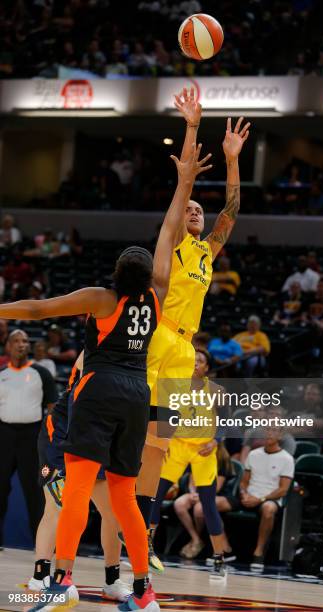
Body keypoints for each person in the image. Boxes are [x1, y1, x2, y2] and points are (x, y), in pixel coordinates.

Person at [0, 141, 212, 611]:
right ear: (148, 275)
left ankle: (63, 582)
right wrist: (184, 183)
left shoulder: (103, 298)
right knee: (126, 499)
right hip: (137, 396)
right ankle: (142, 592)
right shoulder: (156, 296)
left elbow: (37, 308)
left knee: (76, 492)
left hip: (100, 391)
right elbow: (169, 231)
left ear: (117, 273)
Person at [139, 86, 250, 582]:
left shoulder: (206, 253)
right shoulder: (171, 243)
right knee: (133, 425)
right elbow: (182, 190)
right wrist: (191, 129)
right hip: (158, 333)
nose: (196, 213)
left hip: (186, 346)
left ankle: (140, 534)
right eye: (189, 210)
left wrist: (231, 160)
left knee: (157, 445)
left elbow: (232, 209)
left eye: (198, 213)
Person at [30, 353, 131, 602]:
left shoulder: (135, 362)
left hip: (95, 438)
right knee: (58, 504)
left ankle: (112, 580)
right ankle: (40, 576)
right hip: (62, 437)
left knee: (114, 512)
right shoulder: (94, 351)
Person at [150, 348, 232, 578]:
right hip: (176, 446)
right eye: (193, 359)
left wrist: (216, 441)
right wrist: (163, 441)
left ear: (207, 367)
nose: (196, 363)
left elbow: (225, 422)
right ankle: (145, 549)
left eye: (201, 361)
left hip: (202, 450)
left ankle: (218, 556)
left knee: (208, 504)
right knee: (155, 496)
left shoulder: (216, 391)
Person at [0, 330, 58, 548]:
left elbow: (52, 408)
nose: (21, 344)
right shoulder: (1, 374)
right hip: (3, 435)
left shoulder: (41, 373)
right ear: (8, 346)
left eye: (25, 341)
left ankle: (40, 545)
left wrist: (49, 439)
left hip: (31, 437)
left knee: (35, 492)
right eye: (16, 341)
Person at [239, 428, 294, 571]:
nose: (269, 433)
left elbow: (283, 490)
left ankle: (259, 552)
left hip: (269, 499)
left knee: (269, 509)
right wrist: (243, 494)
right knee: (215, 503)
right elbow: (244, 482)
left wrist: (260, 499)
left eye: (274, 431)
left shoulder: (287, 459)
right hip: (249, 496)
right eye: (267, 430)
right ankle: (221, 548)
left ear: (281, 435)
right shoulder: (253, 454)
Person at [174, 443, 237, 561]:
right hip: (200, 493)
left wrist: (200, 496)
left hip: (221, 495)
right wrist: (193, 492)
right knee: (179, 503)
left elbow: (217, 487)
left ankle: (217, 547)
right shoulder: (197, 453)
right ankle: (196, 539)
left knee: (201, 507)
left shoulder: (221, 457)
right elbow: (192, 478)